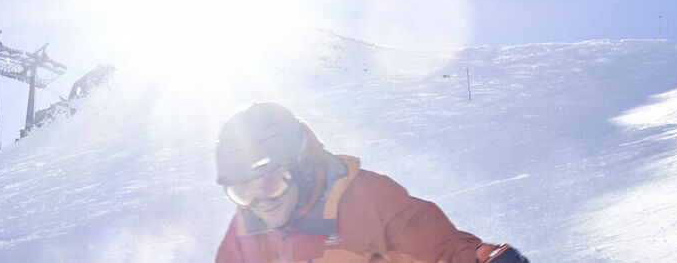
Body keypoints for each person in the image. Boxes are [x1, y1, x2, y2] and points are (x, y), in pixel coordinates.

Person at [213, 102, 527, 263]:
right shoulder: (244, 228)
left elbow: (436, 248)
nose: (260, 203)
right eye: (242, 190)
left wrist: (477, 259)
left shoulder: (364, 197)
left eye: (270, 182)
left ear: (301, 166)